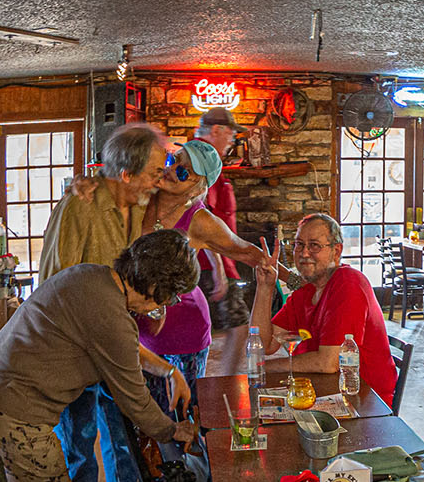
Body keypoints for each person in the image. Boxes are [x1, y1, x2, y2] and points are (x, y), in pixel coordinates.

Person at [0, 232, 199, 482]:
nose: (168, 302)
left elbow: (123, 346)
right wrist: (171, 430)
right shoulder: (110, 311)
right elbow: (134, 398)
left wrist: (166, 369)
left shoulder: (95, 278)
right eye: (172, 294)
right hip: (11, 413)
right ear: (156, 285)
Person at [35, 123, 167, 482]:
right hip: (73, 353)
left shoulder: (134, 207)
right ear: (127, 174)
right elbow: (53, 282)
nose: (160, 176)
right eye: (153, 169)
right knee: (78, 452)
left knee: (123, 436)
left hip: (113, 341)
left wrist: (146, 303)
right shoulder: (81, 203)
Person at [136, 138, 275, 412]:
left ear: (198, 187)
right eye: (173, 160)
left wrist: (282, 273)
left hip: (183, 331)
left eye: (184, 171)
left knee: (183, 412)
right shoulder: (142, 198)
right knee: (146, 414)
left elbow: (244, 250)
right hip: (140, 327)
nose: (172, 169)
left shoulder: (200, 220)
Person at [250, 213, 397, 406]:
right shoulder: (306, 291)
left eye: (314, 246)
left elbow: (328, 363)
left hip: (366, 403)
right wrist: (265, 288)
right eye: (299, 245)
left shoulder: (348, 283)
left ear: (336, 251)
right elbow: (264, 345)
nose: (303, 253)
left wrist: (264, 367)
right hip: (325, 392)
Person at [191, 107, 244, 318]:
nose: (232, 140)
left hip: (210, 260)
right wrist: (219, 269)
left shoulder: (200, 157)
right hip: (208, 263)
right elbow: (203, 216)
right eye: (230, 133)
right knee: (239, 326)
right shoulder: (204, 161)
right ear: (216, 130)